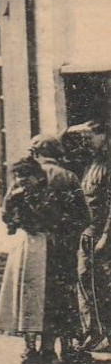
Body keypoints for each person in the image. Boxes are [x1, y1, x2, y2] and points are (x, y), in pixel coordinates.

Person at [0, 133, 92, 364]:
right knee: (59, 296)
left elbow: (6, 212)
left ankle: (30, 349)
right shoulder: (67, 177)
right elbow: (83, 215)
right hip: (60, 245)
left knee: (30, 293)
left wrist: (20, 223)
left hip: (30, 243)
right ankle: (53, 349)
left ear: (36, 153)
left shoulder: (25, 177)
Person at [75, 120, 111, 350]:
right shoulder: (91, 165)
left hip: (102, 236)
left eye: (93, 136)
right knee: (86, 282)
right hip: (88, 235)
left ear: (105, 138)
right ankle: (93, 332)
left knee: (104, 286)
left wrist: (107, 235)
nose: (88, 141)